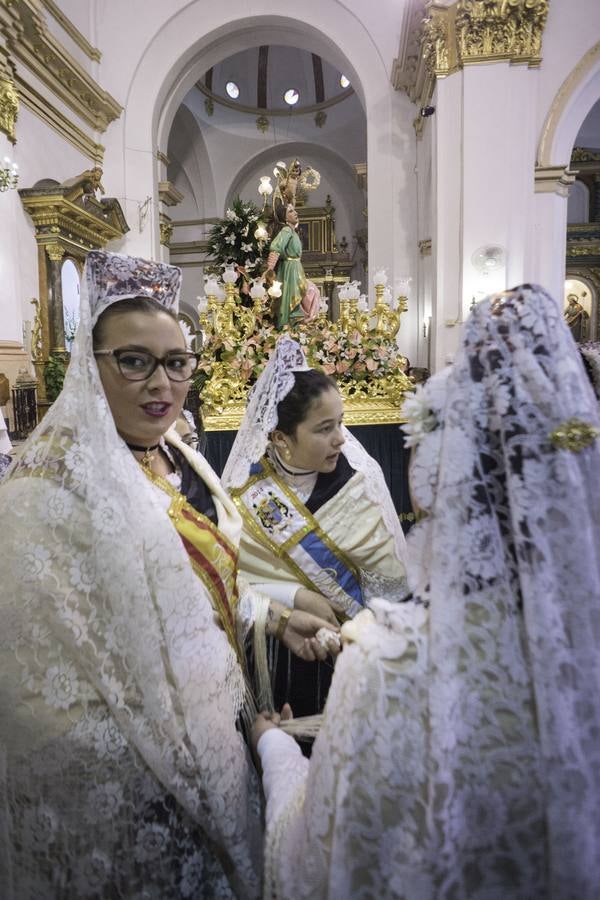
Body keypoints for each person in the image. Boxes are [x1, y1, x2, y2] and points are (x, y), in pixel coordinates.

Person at [0, 250, 337, 899]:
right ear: (89, 367)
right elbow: (36, 701)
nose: (161, 384)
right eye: (134, 361)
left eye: (176, 363)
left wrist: (272, 616)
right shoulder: (44, 496)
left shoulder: (169, 453)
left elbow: (183, 592)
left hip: (216, 750)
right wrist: (184, 763)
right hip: (140, 798)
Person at [251, 285, 600, 899]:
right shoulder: (581, 630)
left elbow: (309, 863)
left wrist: (274, 748)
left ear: (437, 474)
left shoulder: (391, 665)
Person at [222, 336, 407, 725]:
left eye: (341, 423)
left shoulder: (361, 485)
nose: (340, 437)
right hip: (275, 662)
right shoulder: (243, 495)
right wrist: (295, 596)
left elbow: (393, 594)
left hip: (354, 665)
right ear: (280, 439)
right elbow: (225, 584)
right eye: (324, 428)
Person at [264, 202, 320, 329]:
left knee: (310, 292)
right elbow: (276, 247)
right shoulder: (286, 230)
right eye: (290, 211)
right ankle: (292, 325)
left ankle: (300, 323)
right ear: (284, 217)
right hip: (290, 270)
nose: (295, 213)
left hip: (295, 268)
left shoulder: (293, 232)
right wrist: (270, 268)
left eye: (294, 210)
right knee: (300, 295)